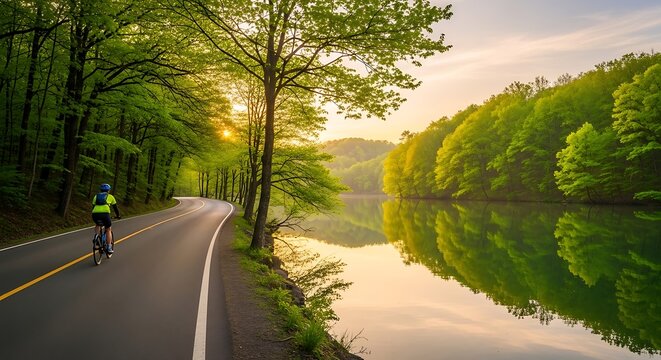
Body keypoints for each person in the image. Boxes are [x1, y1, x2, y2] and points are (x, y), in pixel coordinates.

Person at [92, 183, 121, 253]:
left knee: (97, 224)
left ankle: (96, 238)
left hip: (95, 213)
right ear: (109, 190)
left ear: (101, 190)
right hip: (105, 214)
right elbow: (115, 208)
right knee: (108, 229)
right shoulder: (111, 197)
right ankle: (109, 247)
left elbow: (93, 206)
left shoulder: (96, 196)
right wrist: (118, 215)